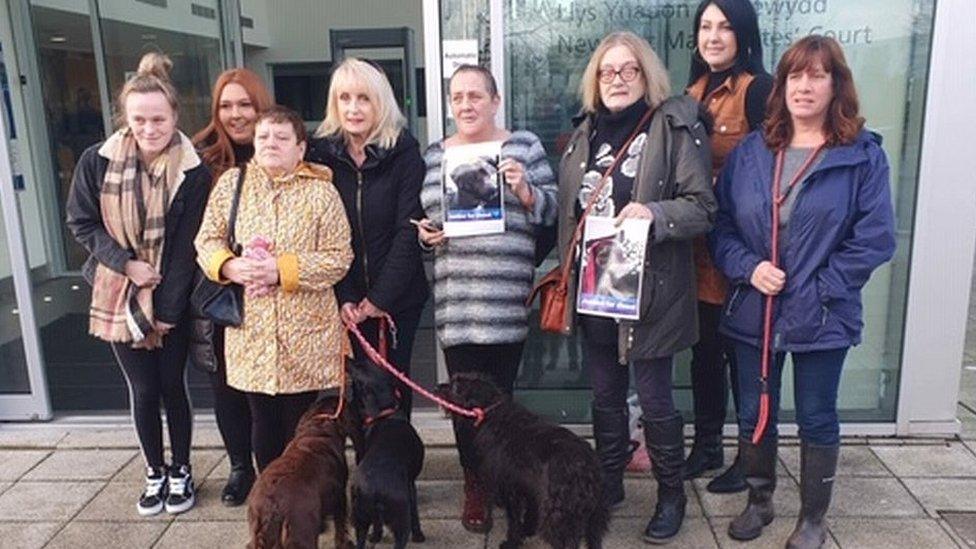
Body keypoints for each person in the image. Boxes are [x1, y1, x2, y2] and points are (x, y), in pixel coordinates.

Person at [710, 36, 895, 547]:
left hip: (823, 312)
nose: (804, 86)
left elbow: (875, 238)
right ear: (783, 85)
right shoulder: (752, 152)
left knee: (816, 415)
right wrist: (748, 268)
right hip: (755, 309)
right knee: (754, 412)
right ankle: (760, 500)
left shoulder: (862, 156)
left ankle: (813, 519)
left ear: (836, 85)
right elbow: (721, 227)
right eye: (795, 76)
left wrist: (820, 288)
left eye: (817, 76)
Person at [556, 32, 715, 544]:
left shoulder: (673, 124)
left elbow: (702, 208)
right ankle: (610, 481)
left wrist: (654, 212)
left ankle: (671, 496)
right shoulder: (584, 133)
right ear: (594, 80)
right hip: (597, 286)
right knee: (604, 393)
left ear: (647, 76)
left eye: (629, 71)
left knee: (653, 397)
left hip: (652, 293)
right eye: (607, 71)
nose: (617, 80)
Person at [66, 52, 210, 516]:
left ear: (174, 117)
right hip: (117, 291)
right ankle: (154, 470)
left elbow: (189, 247)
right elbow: (81, 222)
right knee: (143, 391)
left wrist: (167, 312)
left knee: (172, 386)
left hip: (173, 292)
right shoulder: (97, 161)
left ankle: (182, 470)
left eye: (159, 119)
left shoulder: (193, 170)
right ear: (125, 118)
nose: (150, 129)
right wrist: (125, 263)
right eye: (140, 119)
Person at [416, 64, 558, 533]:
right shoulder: (437, 155)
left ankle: (511, 480)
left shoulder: (524, 146)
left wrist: (524, 190)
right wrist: (427, 237)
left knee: (502, 403)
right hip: (457, 300)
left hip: (504, 296)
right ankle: (475, 483)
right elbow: (428, 220)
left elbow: (554, 213)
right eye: (457, 97)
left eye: (476, 96)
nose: (466, 105)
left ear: (495, 100)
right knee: (461, 403)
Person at [194, 106, 353, 472]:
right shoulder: (232, 185)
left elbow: (338, 258)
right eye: (263, 136)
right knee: (261, 421)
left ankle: (304, 495)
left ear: (300, 148)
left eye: (282, 138)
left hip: (305, 334)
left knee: (300, 424)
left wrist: (278, 270)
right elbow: (206, 240)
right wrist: (230, 266)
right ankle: (270, 495)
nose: (271, 144)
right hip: (252, 331)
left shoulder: (321, 193)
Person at [683, 0, 774, 494]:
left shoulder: (759, 91)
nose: (713, 36)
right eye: (705, 26)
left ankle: (751, 458)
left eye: (724, 27)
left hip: (740, 251)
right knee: (703, 355)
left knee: (744, 361)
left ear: (743, 34)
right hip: (695, 254)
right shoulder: (689, 92)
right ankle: (707, 445)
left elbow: (770, 174)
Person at [307, 58, 428, 415]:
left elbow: (407, 231)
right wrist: (346, 297)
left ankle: (396, 467)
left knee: (393, 388)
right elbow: (324, 233)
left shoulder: (405, 153)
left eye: (364, 98)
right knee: (357, 390)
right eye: (344, 98)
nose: (353, 108)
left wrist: (379, 299)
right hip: (344, 296)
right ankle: (366, 466)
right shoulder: (322, 155)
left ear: (381, 103)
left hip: (398, 298)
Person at [190, 68, 272, 506]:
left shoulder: (284, 148)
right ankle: (241, 466)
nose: (236, 115)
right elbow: (193, 234)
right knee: (227, 385)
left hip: (276, 290)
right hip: (223, 290)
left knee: (273, 389)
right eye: (226, 105)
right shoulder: (200, 160)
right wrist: (227, 265)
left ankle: (279, 467)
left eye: (245, 104)